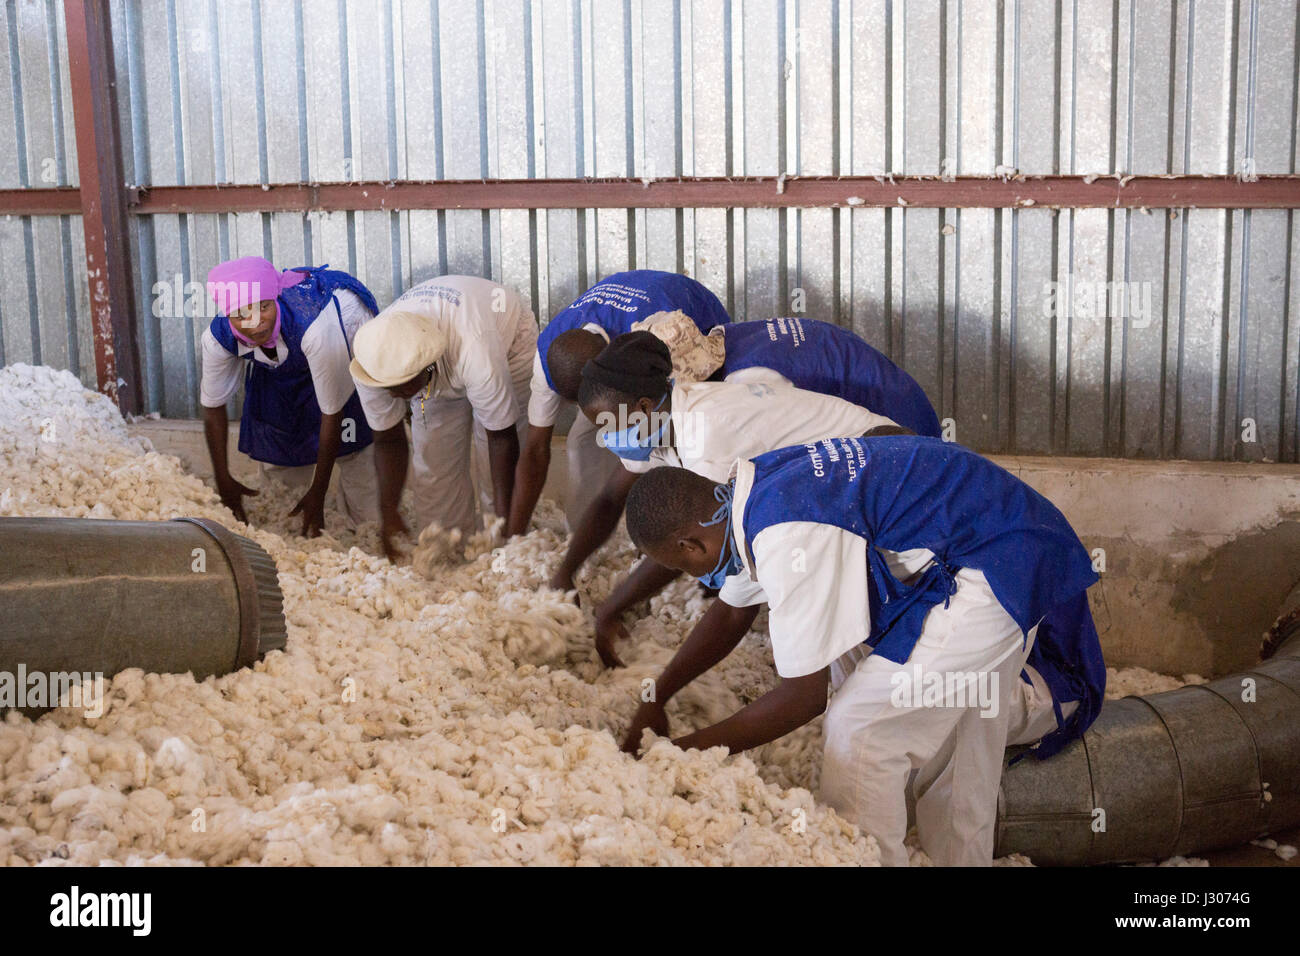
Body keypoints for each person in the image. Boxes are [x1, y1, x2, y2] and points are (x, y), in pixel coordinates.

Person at [620, 436, 1106, 866]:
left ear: (690, 545)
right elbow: (728, 615)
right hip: (1007, 538)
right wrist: (656, 696)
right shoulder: (754, 494)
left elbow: (804, 697)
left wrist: (681, 751)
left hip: (994, 562)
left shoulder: (785, 532)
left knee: (862, 730)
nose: (696, 580)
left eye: (683, 568)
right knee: (958, 728)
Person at [558, 328, 937, 666]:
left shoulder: (708, 439)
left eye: (606, 425)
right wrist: (566, 571)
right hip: (839, 489)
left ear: (642, 408)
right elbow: (616, 499)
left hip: (885, 471)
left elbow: (682, 545)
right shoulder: (661, 418)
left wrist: (613, 608)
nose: (605, 437)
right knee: (846, 646)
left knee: (878, 637)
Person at [506, 270, 730, 537]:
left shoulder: (661, 341)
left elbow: (670, 438)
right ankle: (582, 533)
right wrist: (513, 536)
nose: (596, 420)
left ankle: (680, 537)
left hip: (689, 311)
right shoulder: (548, 357)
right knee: (582, 440)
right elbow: (535, 449)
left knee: (677, 439)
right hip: (624, 319)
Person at [348, 275, 537, 559]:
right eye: (390, 387)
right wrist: (389, 513)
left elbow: (501, 437)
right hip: (440, 357)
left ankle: (500, 542)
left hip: (509, 341)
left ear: (427, 367)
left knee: (491, 460)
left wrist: (503, 523)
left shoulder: (474, 351)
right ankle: (449, 548)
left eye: (404, 385)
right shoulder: (374, 361)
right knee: (433, 462)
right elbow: (388, 439)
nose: (397, 394)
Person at [200, 256, 380, 536]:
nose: (256, 322)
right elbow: (213, 407)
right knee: (283, 489)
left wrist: (317, 495)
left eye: (264, 306)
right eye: (241, 314)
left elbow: (332, 413)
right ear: (227, 315)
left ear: (275, 298)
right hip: (282, 369)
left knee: (355, 446)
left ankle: (367, 528)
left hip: (342, 348)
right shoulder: (218, 338)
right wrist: (223, 480)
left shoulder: (316, 327)